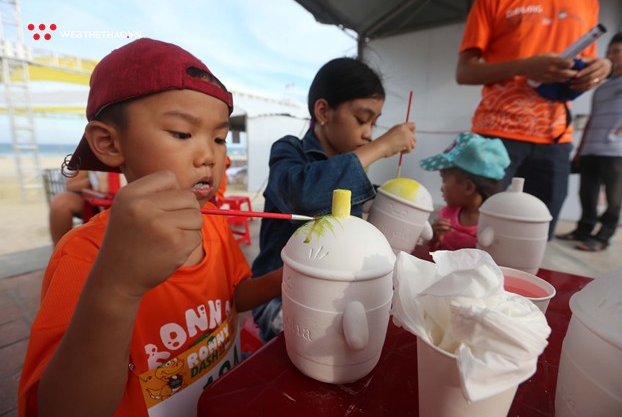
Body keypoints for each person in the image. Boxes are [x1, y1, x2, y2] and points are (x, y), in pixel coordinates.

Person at [18, 38, 283, 417]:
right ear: (109, 143)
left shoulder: (212, 225)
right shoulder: (84, 256)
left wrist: (282, 279)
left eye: (220, 138)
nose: (209, 155)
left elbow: (233, 296)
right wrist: (118, 285)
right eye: (181, 133)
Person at [251, 57, 417, 342]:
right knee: (315, 345)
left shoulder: (347, 167)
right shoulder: (289, 152)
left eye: (374, 125)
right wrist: (381, 146)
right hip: (279, 296)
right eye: (362, 120)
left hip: (335, 293)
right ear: (323, 111)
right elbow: (304, 195)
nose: (368, 134)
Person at [456, 0, 613, 240]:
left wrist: (603, 67)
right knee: (472, 232)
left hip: (556, 137)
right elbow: (464, 72)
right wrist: (524, 66)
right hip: (495, 133)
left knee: (535, 239)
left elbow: (588, 58)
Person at [556, 31, 622, 251]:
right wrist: (580, 149)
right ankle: (583, 230)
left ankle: (602, 237)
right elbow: (592, 118)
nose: (611, 55)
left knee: (613, 197)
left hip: (617, 150)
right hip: (591, 148)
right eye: (609, 51)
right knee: (587, 193)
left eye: (617, 51)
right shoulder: (602, 85)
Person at [420, 132, 509, 251]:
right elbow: (434, 250)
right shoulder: (448, 213)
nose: (442, 188)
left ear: (468, 187)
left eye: (444, 180)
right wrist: (435, 236)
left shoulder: (495, 226)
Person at [48, 170, 92, 246]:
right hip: (95, 205)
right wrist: (92, 181)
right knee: (61, 202)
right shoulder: (94, 160)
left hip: (116, 205)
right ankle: (60, 253)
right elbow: (70, 185)